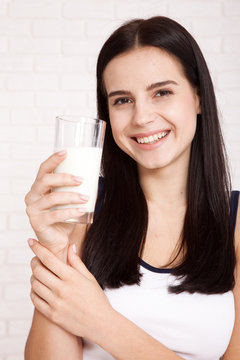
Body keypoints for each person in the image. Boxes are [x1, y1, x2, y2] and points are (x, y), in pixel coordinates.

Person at [24, 16, 240, 360]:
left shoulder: (235, 222)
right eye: (122, 100)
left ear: (198, 98)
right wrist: (56, 250)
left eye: (162, 92)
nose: (142, 117)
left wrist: (100, 322)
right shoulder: (83, 206)